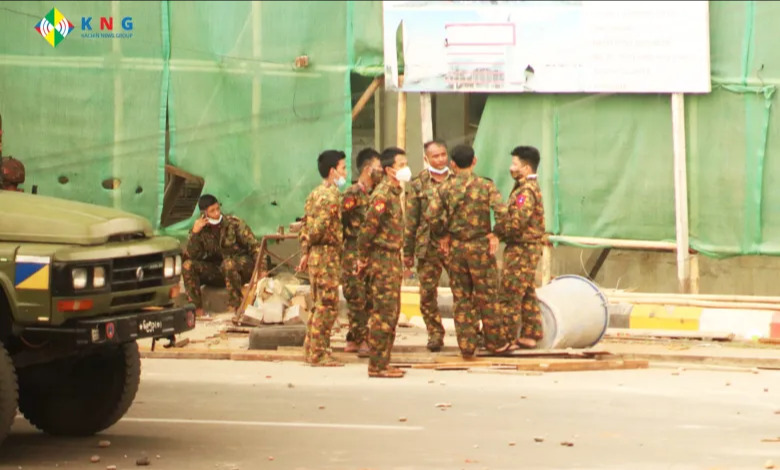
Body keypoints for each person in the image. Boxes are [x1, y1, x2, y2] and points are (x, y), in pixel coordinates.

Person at [426, 144, 513, 358]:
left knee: (461, 297)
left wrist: (443, 234)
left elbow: (431, 216)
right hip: (481, 247)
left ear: (452, 164)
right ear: (474, 161)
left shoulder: (444, 188)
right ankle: (495, 342)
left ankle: (466, 345)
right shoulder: (485, 186)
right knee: (487, 295)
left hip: (456, 248)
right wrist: (496, 234)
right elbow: (503, 213)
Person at [357, 147, 410, 378]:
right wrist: (363, 259)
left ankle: (384, 361)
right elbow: (367, 231)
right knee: (383, 314)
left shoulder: (394, 193)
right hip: (382, 260)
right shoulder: (382, 195)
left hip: (392, 259)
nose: (406, 169)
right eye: (401, 165)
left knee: (392, 313)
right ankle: (377, 365)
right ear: (390, 170)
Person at [296, 150, 347, 367]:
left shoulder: (315, 194)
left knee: (319, 304)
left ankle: (313, 349)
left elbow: (304, 225)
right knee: (327, 304)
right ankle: (318, 353)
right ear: (332, 171)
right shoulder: (330, 196)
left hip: (317, 254)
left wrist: (306, 250)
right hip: (326, 254)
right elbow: (318, 227)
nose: (345, 173)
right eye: (343, 168)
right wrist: (311, 241)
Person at [495, 146, 547, 349]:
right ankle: (531, 334)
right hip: (525, 247)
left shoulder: (526, 191)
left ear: (526, 168)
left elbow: (517, 222)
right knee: (525, 290)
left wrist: (497, 233)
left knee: (510, 292)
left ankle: (506, 338)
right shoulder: (524, 187)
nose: (511, 168)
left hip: (522, 248)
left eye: (515, 164)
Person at [403, 140, 450, 352]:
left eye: (443, 155)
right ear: (426, 158)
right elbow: (411, 220)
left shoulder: (457, 180)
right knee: (427, 293)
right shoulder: (418, 184)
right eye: (435, 156)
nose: (440, 160)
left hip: (453, 245)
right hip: (427, 246)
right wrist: (408, 251)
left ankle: (470, 332)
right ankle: (435, 333)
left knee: (464, 291)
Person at [182, 194, 260, 318]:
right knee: (187, 266)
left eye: (218, 208)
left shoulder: (233, 223)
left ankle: (237, 308)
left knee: (228, 264)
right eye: (212, 211)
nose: (217, 213)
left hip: (239, 267)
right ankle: (197, 310)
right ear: (204, 214)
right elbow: (190, 255)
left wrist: (261, 270)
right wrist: (195, 233)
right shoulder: (200, 229)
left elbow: (255, 247)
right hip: (218, 270)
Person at [341, 147, 383, 356]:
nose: (381, 171)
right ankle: (361, 339)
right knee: (356, 296)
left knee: (370, 296)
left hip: (372, 252)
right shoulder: (352, 194)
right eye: (378, 167)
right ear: (367, 169)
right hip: (353, 252)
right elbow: (341, 222)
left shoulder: (378, 193)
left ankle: (355, 336)